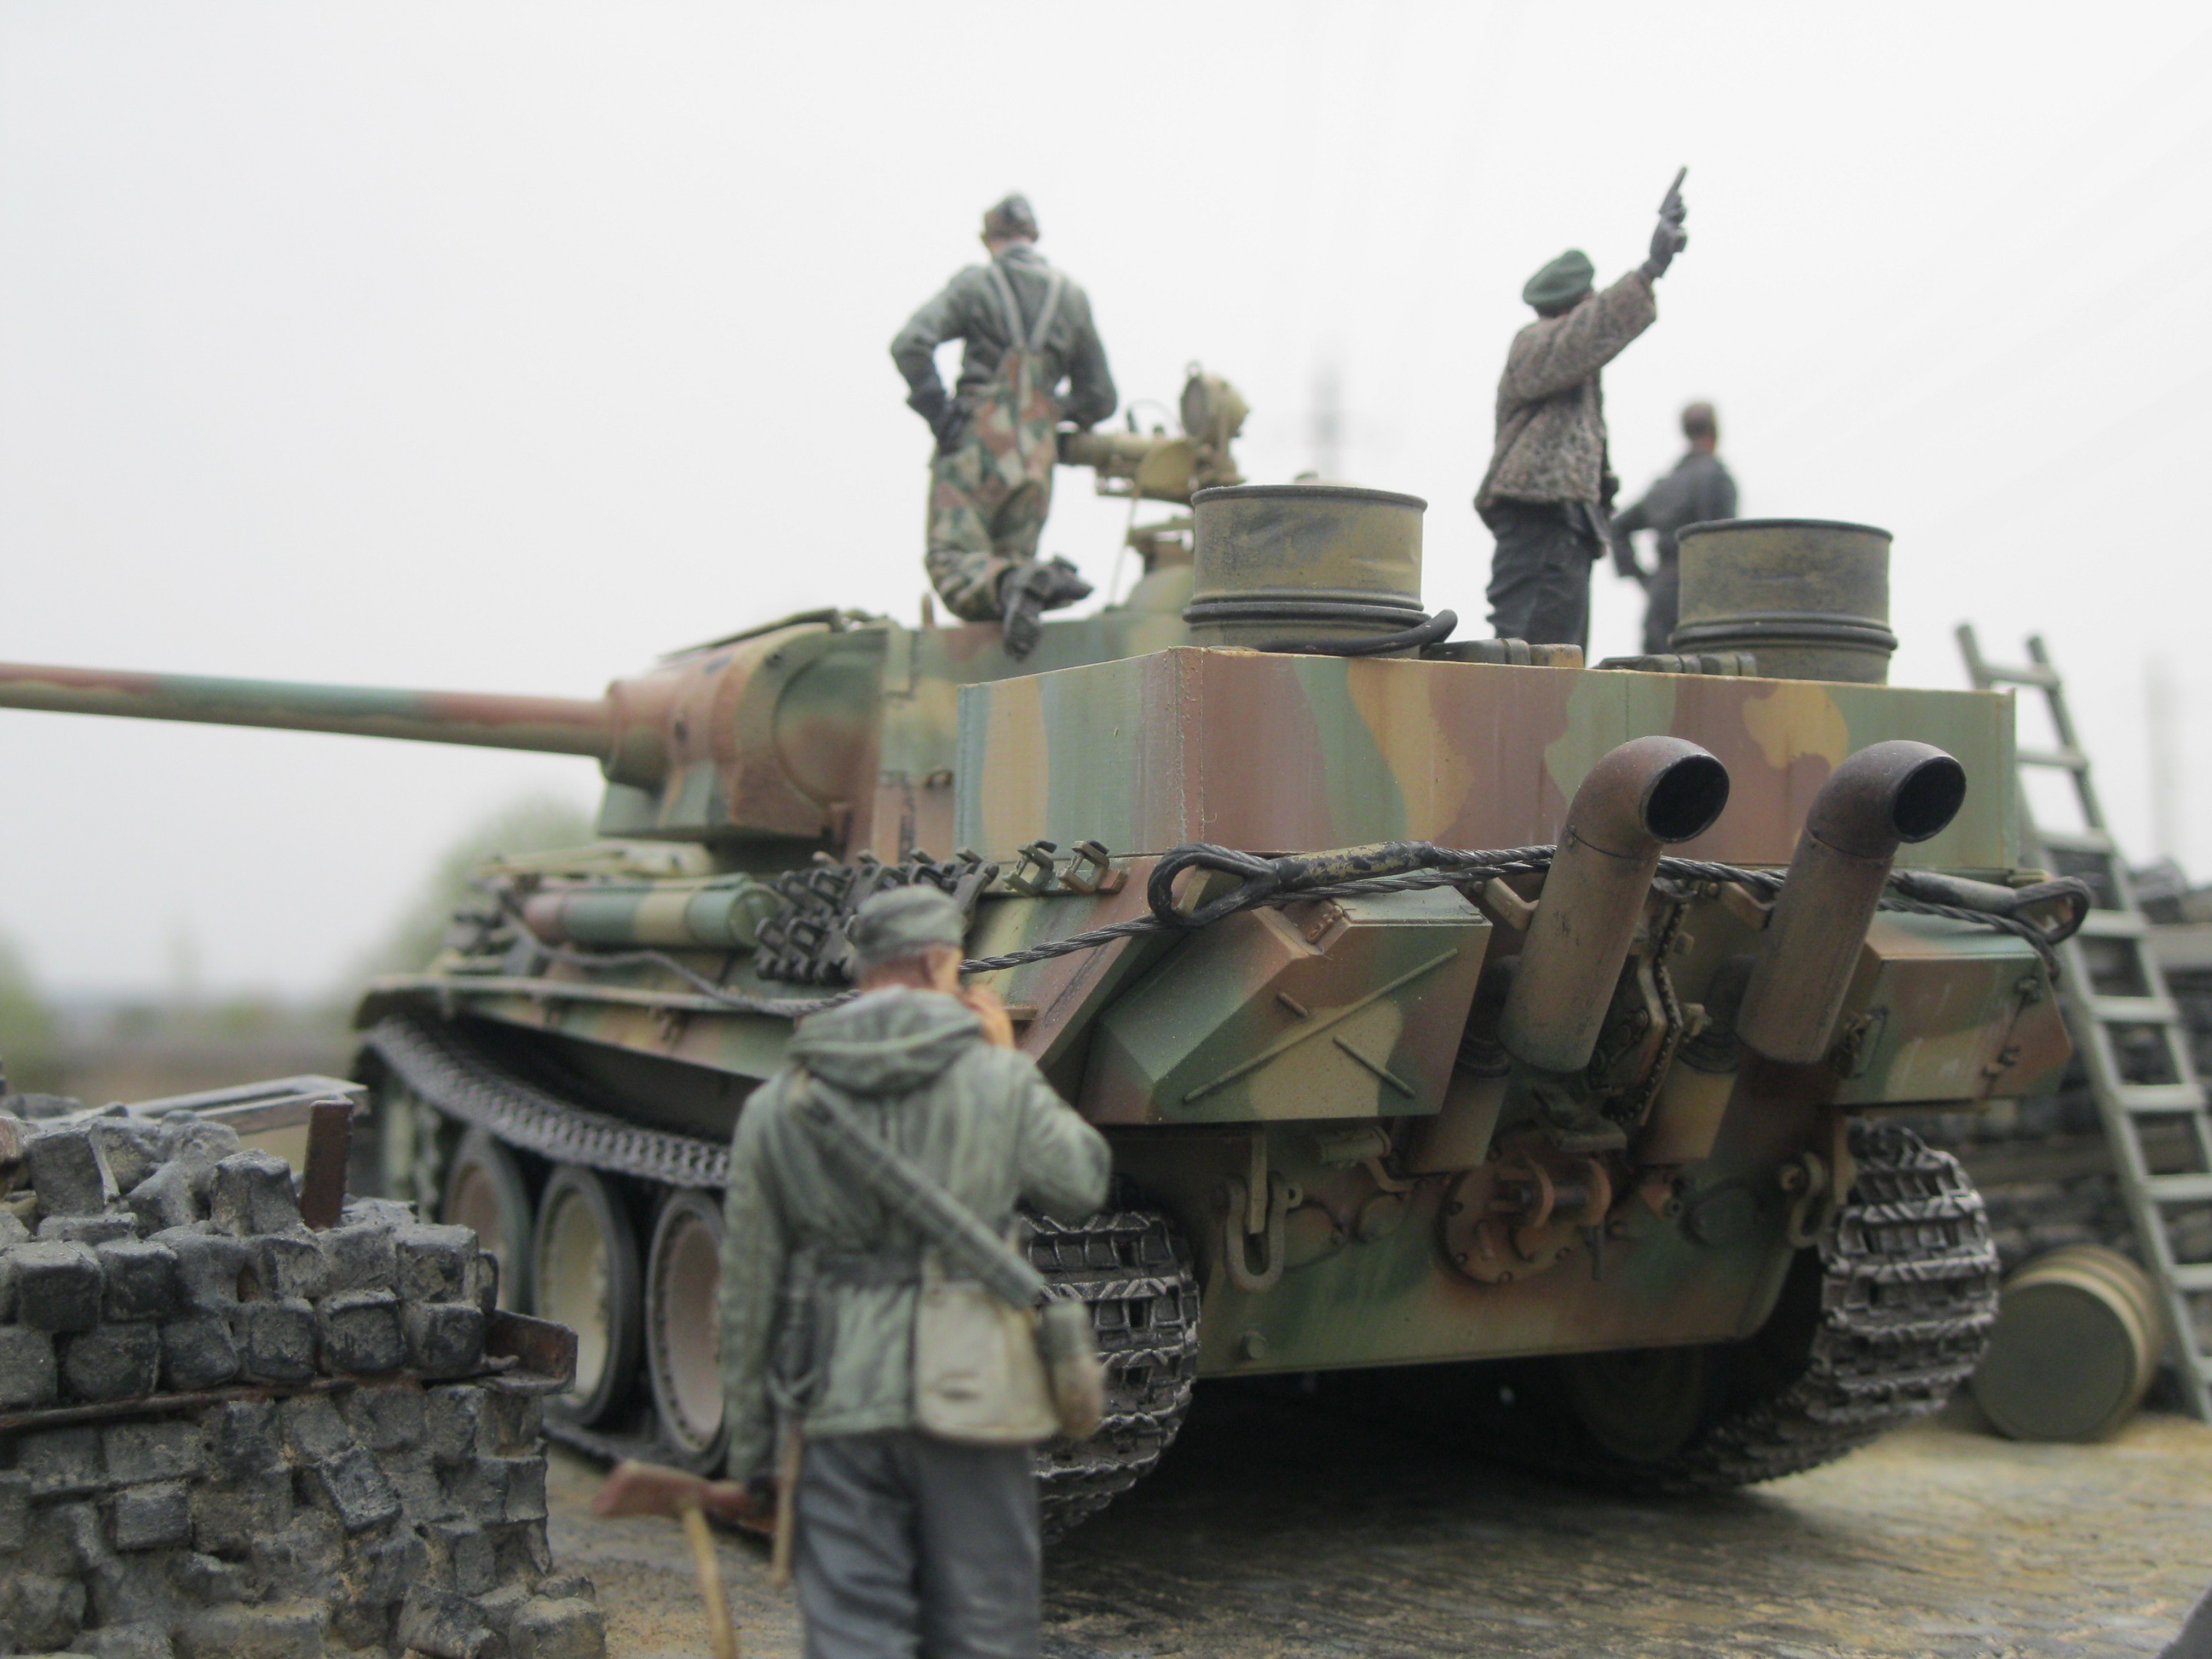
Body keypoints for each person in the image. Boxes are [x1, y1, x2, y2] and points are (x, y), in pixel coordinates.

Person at [718, 883, 1111, 1659]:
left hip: (840, 1395)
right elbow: (1080, 1185)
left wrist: (754, 1457)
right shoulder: (995, 1078)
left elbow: (749, 1293)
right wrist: (1008, 1064)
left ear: (865, 968)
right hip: (977, 1394)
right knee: (986, 1631)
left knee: (854, 1635)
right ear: (938, 964)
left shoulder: (779, 1104)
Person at [891, 194, 1118, 657]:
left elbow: (910, 343)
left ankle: (1019, 582)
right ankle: (1023, 585)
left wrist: (939, 411)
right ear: (1034, 235)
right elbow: (1101, 397)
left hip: (976, 447)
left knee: (954, 564)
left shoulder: (977, 285)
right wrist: (1050, 415)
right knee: (1010, 592)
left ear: (987, 238)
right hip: (1037, 459)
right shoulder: (1071, 297)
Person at [1475, 184, 1690, 651]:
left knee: (1561, 660)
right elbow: (1584, 336)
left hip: (1569, 529)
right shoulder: (1535, 346)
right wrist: (1649, 271)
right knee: (1530, 659)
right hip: (1538, 525)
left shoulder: (1573, 373)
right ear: (1570, 306)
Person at [1611, 401, 1738, 654]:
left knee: (1658, 671)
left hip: (1663, 593)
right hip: (1703, 597)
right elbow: (1725, 543)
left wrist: (1644, 579)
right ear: (1715, 432)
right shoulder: (1718, 478)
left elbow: (1618, 526)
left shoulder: (1667, 484)